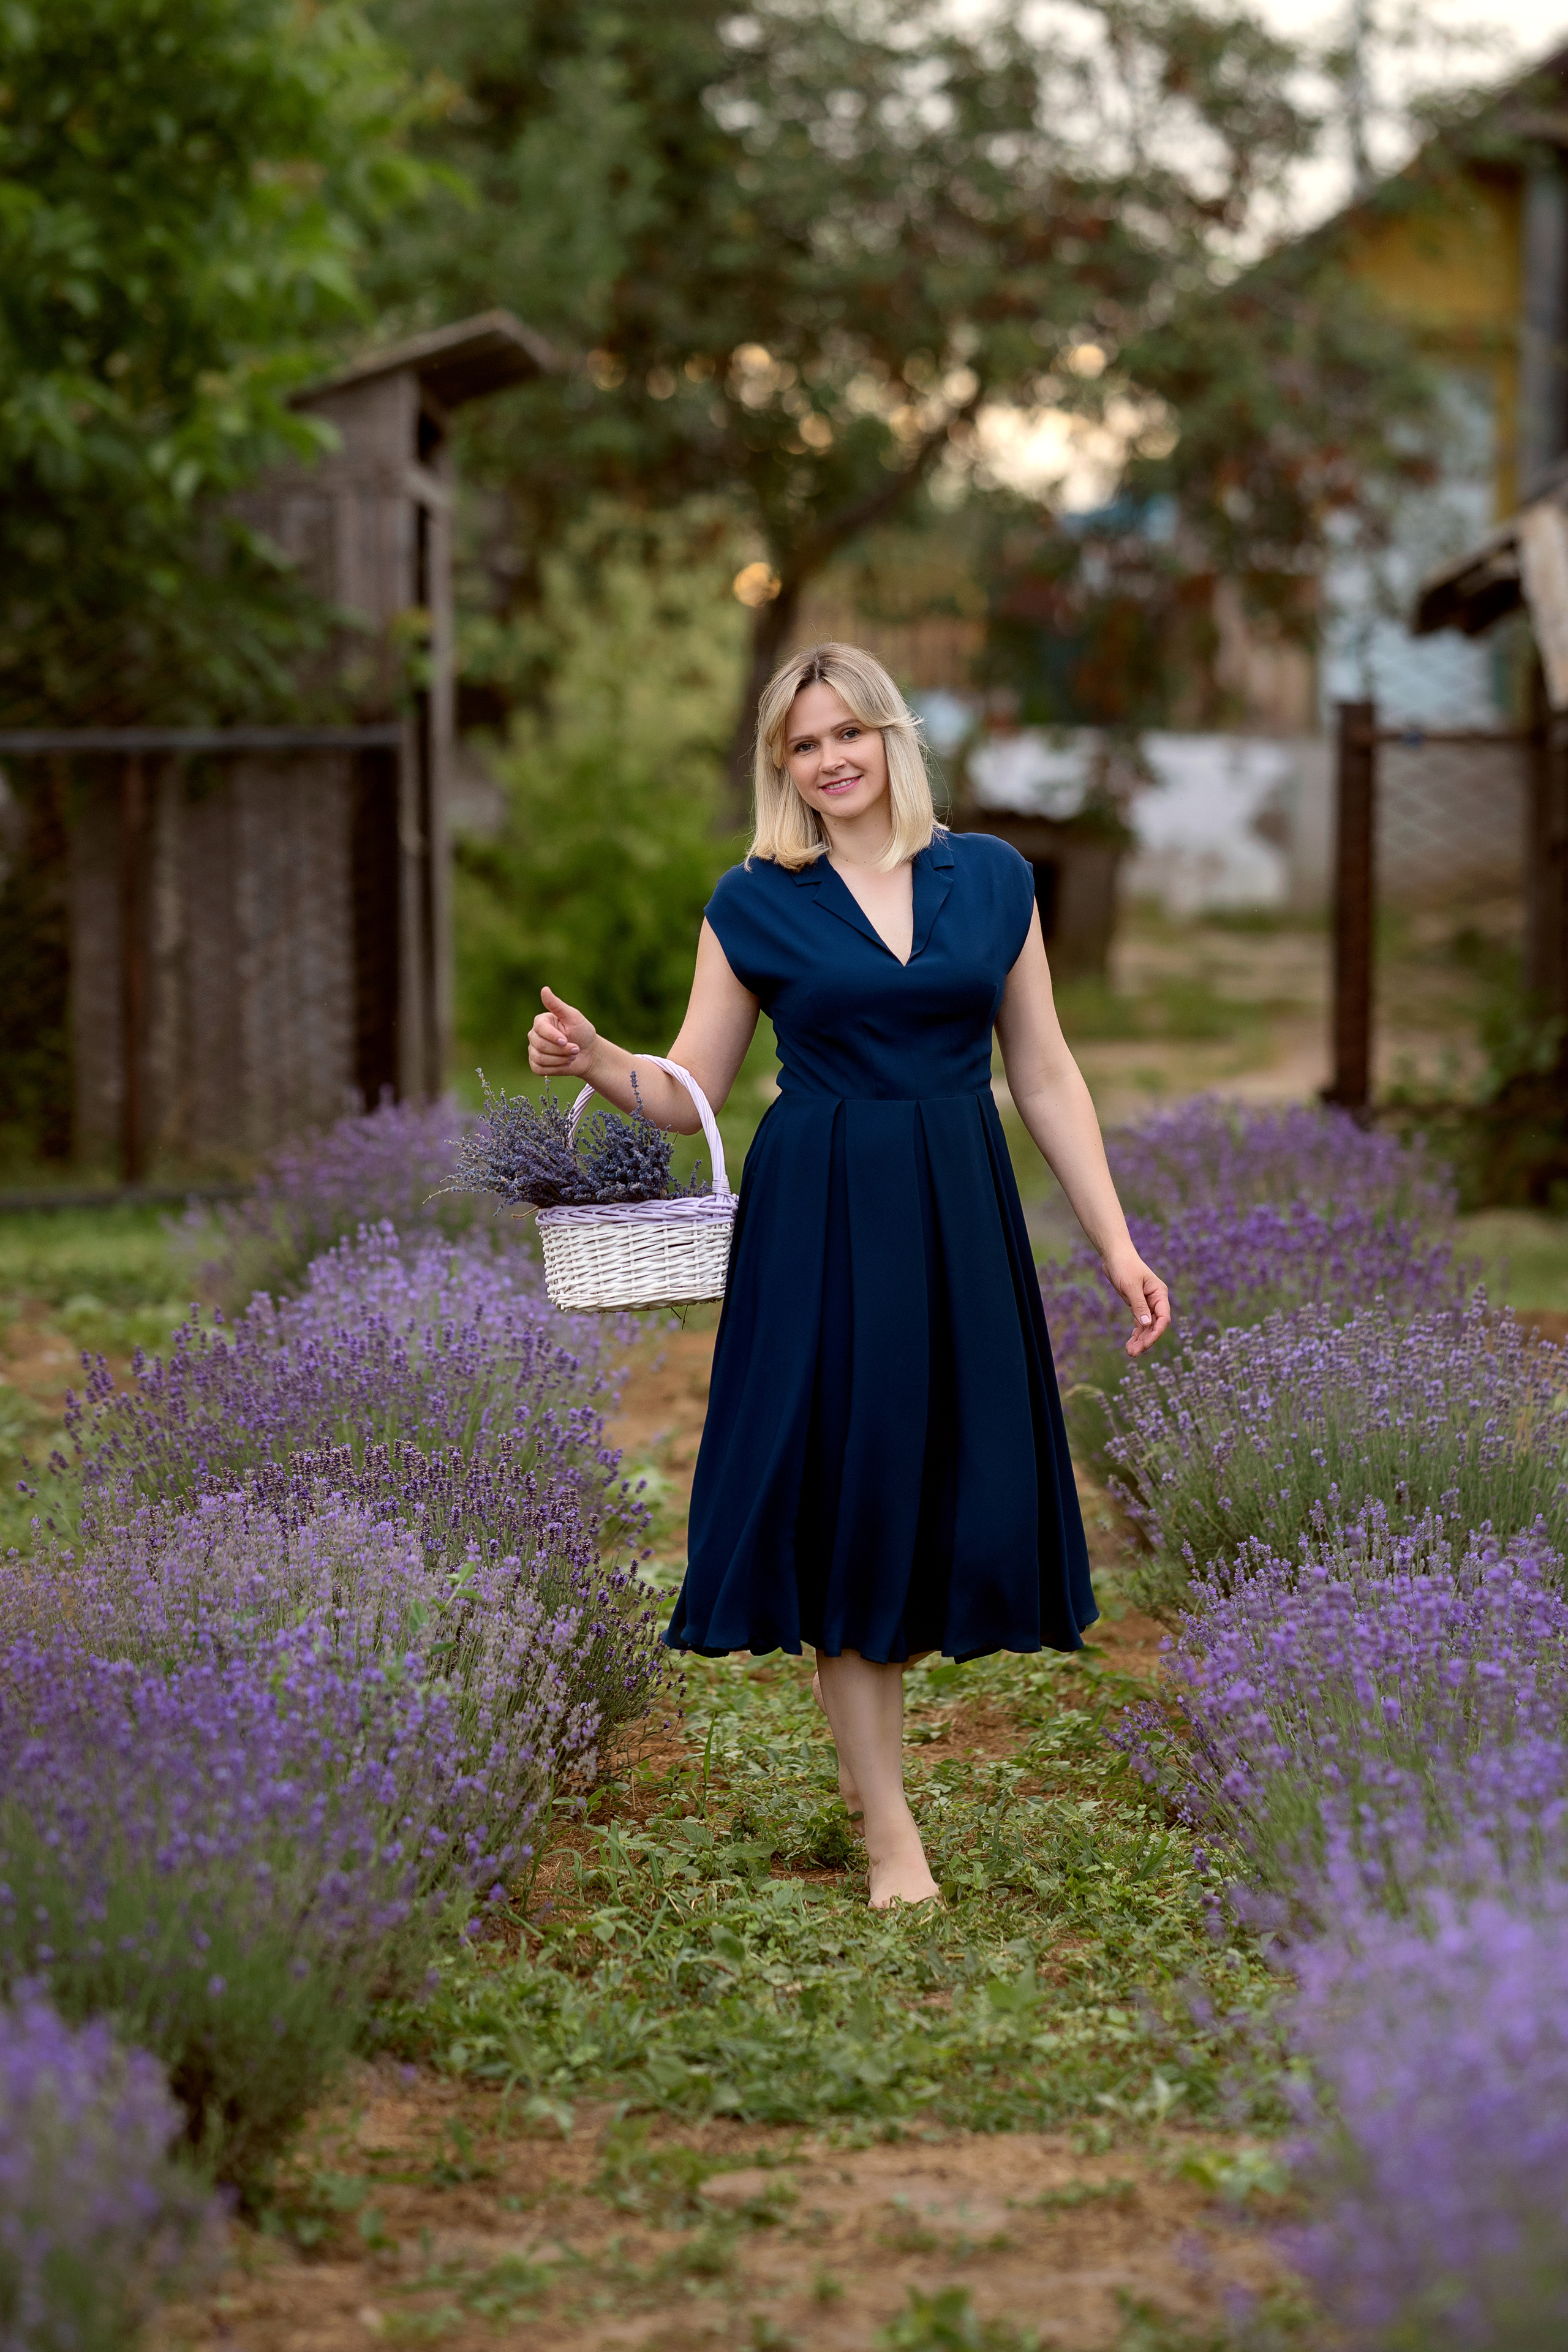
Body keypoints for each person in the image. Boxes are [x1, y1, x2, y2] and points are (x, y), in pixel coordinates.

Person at [529, 643, 1169, 1909]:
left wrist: (1114, 1242)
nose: (827, 762)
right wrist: (601, 1059)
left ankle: (887, 1752)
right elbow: (689, 1091)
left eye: (845, 735)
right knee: (845, 1503)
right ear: (783, 768)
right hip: (815, 1217)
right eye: (800, 746)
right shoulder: (753, 899)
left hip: (958, 1209)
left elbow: (1041, 1072)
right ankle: (888, 1833)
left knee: (959, 1490)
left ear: (890, 738)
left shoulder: (991, 881)